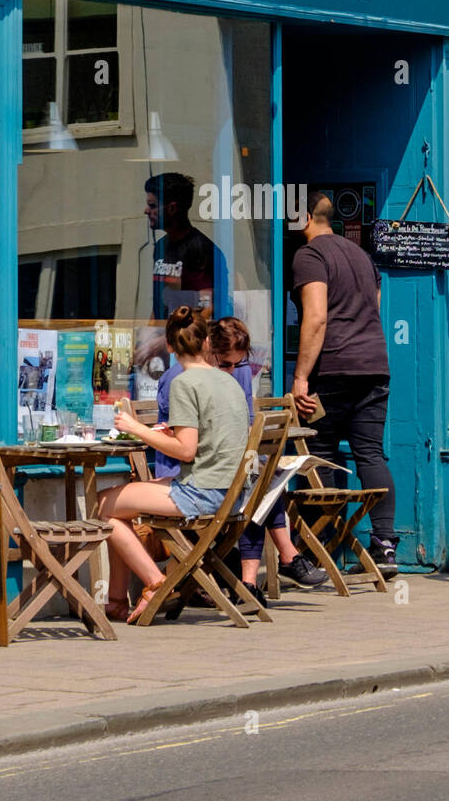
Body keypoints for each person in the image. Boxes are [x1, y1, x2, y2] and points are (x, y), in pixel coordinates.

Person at [153, 315, 328, 604]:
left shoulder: (232, 375)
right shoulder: (180, 379)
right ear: (208, 349)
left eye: (239, 364)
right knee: (254, 483)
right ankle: (277, 562)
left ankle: (250, 582)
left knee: (258, 479)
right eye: (226, 364)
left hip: (217, 467)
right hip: (191, 473)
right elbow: (188, 441)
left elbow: (240, 422)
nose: (233, 371)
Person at [97, 305, 251, 623]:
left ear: (169, 346)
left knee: (104, 505)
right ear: (207, 342)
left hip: (202, 493)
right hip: (231, 494)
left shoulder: (184, 382)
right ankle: (116, 601)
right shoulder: (229, 382)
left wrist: (136, 428)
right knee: (119, 503)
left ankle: (155, 583)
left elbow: (185, 451)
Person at [290, 190, 399, 577]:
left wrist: (301, 376)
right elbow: (374, 306)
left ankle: (322, 548)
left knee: (320, 452)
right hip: (374, 366)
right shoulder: (361, 255)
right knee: (370, 453)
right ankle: (384, 546)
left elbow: (316, 317)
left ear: (304, 216)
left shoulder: (309, 255)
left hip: (333, 370)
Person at [144, 171, 222, 319]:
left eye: (152, 205)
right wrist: (147, 336)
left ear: (172, 208)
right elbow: (158, 307)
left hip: (185, 337)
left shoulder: (200, 249)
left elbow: (207, 307)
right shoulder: (161, 246)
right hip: (165, 334)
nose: (146, 211)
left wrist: (172, 337)